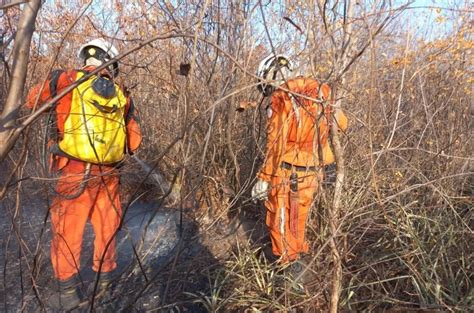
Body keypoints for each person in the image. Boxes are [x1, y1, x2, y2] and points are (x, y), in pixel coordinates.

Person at [25, 38, 142, 310]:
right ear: (111, 64)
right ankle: (104, 287)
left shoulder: (66, 80)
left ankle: (68, 294)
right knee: (107, 229)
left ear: (86, 58)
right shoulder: (121, 93)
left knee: (68, 231)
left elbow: (31, 101)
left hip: (72, 171)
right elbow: (134, 142)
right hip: (109, 175)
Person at [251, 54, 348, 271]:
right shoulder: (323, 90)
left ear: (271, 76)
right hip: (314, 170)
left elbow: (276, 143)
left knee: (282, 221)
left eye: (268, 86)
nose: (270, 93)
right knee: (298, 219)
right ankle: (296, 260)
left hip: (289, 172)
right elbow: (341, 124)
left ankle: (290, 273)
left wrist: (264, 178)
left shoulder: (282, 98)